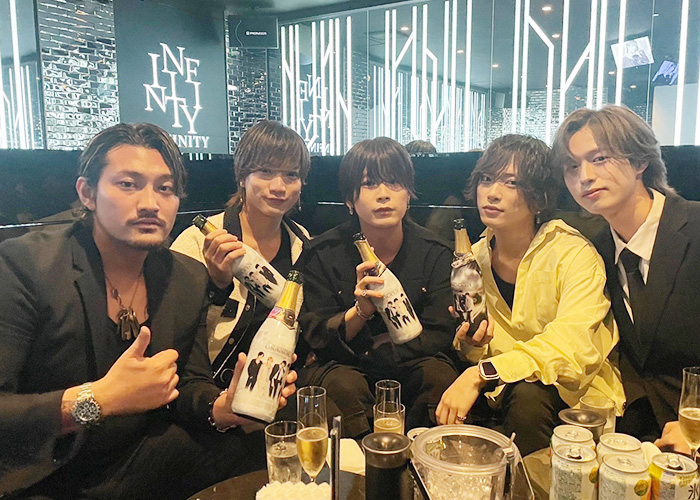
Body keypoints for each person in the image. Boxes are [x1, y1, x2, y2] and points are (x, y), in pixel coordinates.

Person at [0, 123, 296, 499]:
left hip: (134, 459)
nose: (150, 203)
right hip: (45, 475)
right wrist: (97, 399)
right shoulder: (27, 266)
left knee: (266, 448)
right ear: (87, 193)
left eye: (165, 188)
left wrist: (222, 406)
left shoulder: (185, 276)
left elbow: (187, 382)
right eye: (128, 184)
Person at [436, 134, 624, 456]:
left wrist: (482, 372)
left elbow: (571, 347)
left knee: (528, 397)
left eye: (511, 183)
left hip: (575, 399)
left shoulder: (573, 254)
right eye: (486, 179)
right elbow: (481, 351)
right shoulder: (474, 259)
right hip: (503, 394)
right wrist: (472, 345)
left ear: (538, 199)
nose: (492, 193)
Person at [552, 105, 700, 451]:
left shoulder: (694, 229)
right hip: (636, 436)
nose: (584, 176)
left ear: (640, 160)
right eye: (572, 166)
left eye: (599, 159)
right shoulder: (593, 247)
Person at [298, 137, 460, 438]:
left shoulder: (436, 252)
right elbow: (316, 335)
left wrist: (384, 349)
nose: (384, 194)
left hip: (414, 362)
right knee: (341, 385)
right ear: (350, 200)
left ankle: (427, 458)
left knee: (438, 375)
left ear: (408, 194)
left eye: (394, 183)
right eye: (370, 184)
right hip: (346, 366)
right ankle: (356, 464)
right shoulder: (322, 253)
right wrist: (360, 312)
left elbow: (440, 332)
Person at [171, 120, 311, 391]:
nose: (279, 186)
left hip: (278, 387)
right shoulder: (197, 240)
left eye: (291, 175)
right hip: (209, 391)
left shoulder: (301, 242)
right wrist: (217, 286)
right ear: (242, 177)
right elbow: (176, 335)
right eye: (266, 171)